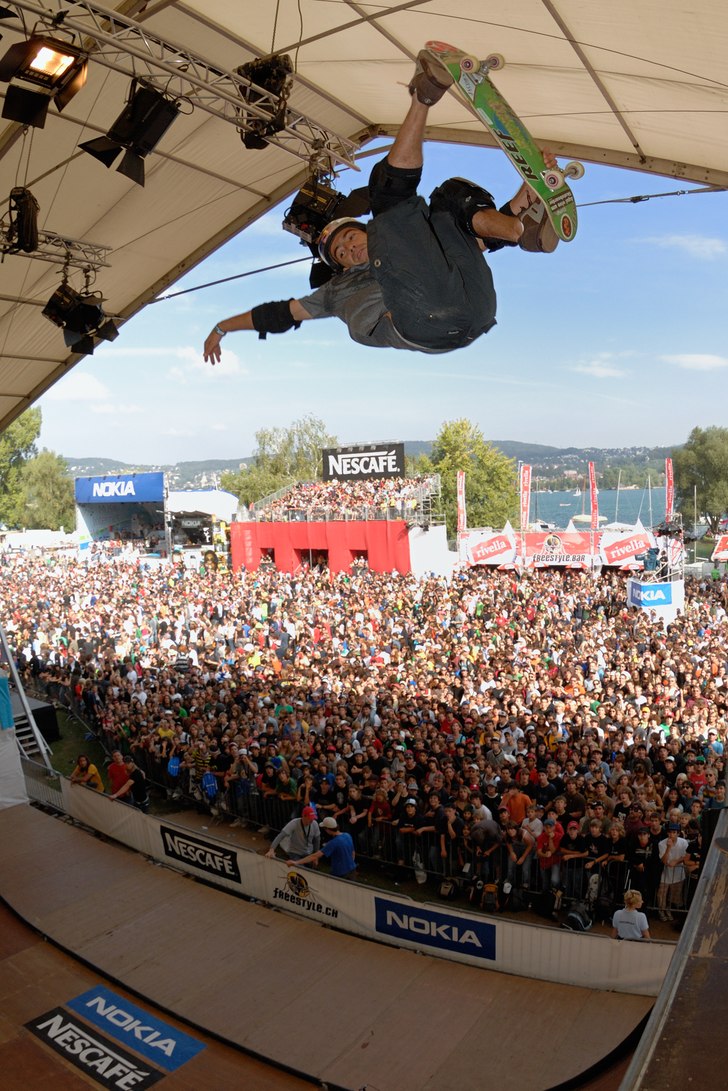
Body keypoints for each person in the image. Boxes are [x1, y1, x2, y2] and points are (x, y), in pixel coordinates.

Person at [203, 51, 560, 363]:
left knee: (450, 198)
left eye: (349, 239)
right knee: (388, 198)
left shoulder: (413, 251)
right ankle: (423, 96)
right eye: (342, 254)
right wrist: (222, 327)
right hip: (419, 320)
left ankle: (519, 224)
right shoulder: (334, 294)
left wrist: (525, 191)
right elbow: (279, 314)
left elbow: (471, 244)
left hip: (478, 307)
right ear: (342, 268)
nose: (350, 249)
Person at [289, 816, 356, 879]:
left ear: (328, 829)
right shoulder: (347, 835)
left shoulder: (333, 843)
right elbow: (353, 853)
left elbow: (314, 856)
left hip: (340, 874)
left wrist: (296, 862)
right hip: (352, 870)